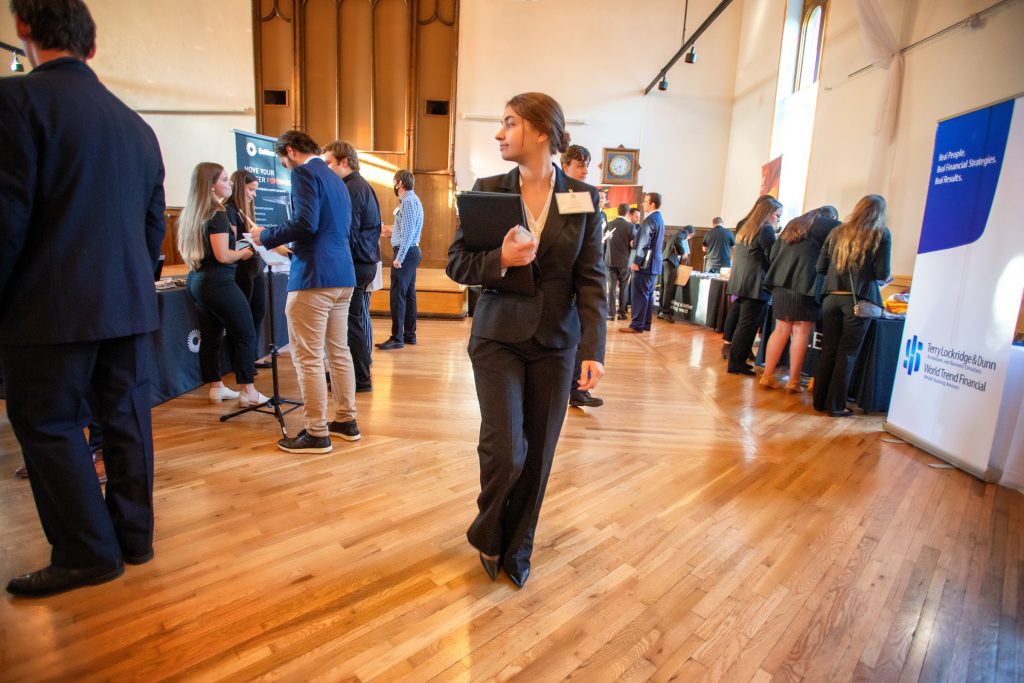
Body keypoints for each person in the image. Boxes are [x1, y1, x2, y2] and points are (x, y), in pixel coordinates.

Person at [0, 0, 165, 597]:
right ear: (91, 47)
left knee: (48, 424)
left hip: (48, 306)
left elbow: (7, 219)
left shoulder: (15, 100)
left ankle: (85, 552)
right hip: (128, 303)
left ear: (23, 28)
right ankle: (133, 537)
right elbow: (153, 231)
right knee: (126, 420)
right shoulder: (136, 126)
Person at [446, 92, 606, 587]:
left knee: (538, 455)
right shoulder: (486, 189)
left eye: (509, 124)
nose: (499, 133)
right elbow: (457, 264)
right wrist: (500, 261)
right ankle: (489, 530)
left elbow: (592, 279)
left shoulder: (582, 196)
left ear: (541, 132)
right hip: (497, 336)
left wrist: (593, 350)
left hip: (557, 344)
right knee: (505, 449)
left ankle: (518, 549)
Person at [250, 131, 360, 452]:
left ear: (289, 151)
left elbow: (305, 223)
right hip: (342, 274)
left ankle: (316, 432)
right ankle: (346, 420)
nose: (284, 167)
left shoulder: (303, 172)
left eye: (282, 161)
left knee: (308, 358)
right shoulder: (337, 178)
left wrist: (264, 234)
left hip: (314, 277)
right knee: (339, 352)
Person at [179, 163, 268, 407]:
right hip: (218, 282)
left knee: (212, 335)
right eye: (225, 180)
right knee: (245, 332)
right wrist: (246, 253)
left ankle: (216, 386)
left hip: (198, 280)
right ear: (210, 186)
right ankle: (248, 391)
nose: (230, 184)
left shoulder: (194, 214)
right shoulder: (216, 214)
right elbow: (224, 256)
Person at [814, 195, 892, 416]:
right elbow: (882, 273)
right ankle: (836, 405)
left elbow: (820, 266)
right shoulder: (880, 233)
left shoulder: (837, 231)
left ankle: (819, 400)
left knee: (828, 350)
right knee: (847, 354)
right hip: (858, 301)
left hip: (830, 298)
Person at [760, 206, 840, 391]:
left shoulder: (794, 223)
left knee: (780, 329)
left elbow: (773, 254)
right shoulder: (832, 225)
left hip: (779, 282)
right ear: (833, 217)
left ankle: (767, 376)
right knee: (801, 332)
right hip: (806, 283)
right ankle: (793, 381)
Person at [323, 140, 381, 390]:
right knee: (351, 321)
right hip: (361, 262)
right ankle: (353, 374)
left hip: (356, 263)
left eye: (328, 163)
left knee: (351, 323)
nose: (325, 168)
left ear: (344, 162)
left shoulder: (352, 188)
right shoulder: (355, 184)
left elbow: (349, 232)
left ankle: (360, 378)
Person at [560, 145, 603, 408]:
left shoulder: (586, 196)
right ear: (565, 166)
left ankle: (577, 389)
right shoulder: (563, 195)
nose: (585, 169)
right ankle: (574, 388)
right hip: (563, 286)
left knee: (580, 339)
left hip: (581, 284)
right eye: (579, 164)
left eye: (587, 164)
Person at [726, 196, 782, 375]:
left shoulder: (748, 227)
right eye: (777, 215)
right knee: (747, 327)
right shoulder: (765, 230)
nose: (778, 219)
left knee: (743, 325)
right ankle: (736, 363)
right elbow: (772, 257)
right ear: (768, 213)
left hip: (742, 283)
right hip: (755, 286)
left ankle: (737, 360)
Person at [376, 169, 424, 350]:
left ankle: (397, 337)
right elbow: (404, 229)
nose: (394, 185)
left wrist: (400, 257)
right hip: (409, 252)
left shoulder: (409, 201)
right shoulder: (410, 200)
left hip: (406, 253)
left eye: (394, 181)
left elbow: (409, 232)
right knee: (408, 294)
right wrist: (391, 233)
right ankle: (409, 335)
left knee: (398, 296)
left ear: (400, 183)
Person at [225, 170, 268, 365]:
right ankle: (243, 360)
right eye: (251, 190)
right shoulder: (230, 210)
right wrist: (252, 241)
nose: (253, 194)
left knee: (258, 311)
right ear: (239, 187)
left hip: (255, 267)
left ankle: (253, 355)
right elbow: (232, 243)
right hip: (242, 268)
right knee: (245, 314)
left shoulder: (246, 210)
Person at [621, 193, 665, 334]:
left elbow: (645, 243)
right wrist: (636, 242)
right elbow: (649, 241)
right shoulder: (659, 219)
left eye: (646, 202)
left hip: (644, 264)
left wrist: (636, 262)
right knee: (648, 295)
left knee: (639, 294)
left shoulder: (650, 220)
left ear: (652, 204)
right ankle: (645, 323)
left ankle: (636, 325)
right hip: (654, 264)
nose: (643, 204)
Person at [658, 225, 694, 322]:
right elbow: (678, 241)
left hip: (666, 260)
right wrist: (683, 253)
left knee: (664, 287)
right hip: (670, 262)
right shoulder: (682, 235)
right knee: (668, 288)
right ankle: (665, 312)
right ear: (690, 234)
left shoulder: (676, 233)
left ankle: (661, 311)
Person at [604, 203, 634, 321]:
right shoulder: (630, 227)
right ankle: (621, 313)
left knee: (611, 288)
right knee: (624, 288)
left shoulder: (609, 224)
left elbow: (604, 241)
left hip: (610, 261)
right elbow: (633, 246)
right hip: (625, 262)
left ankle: (610, 314)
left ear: (617, 211)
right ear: (627, 213)